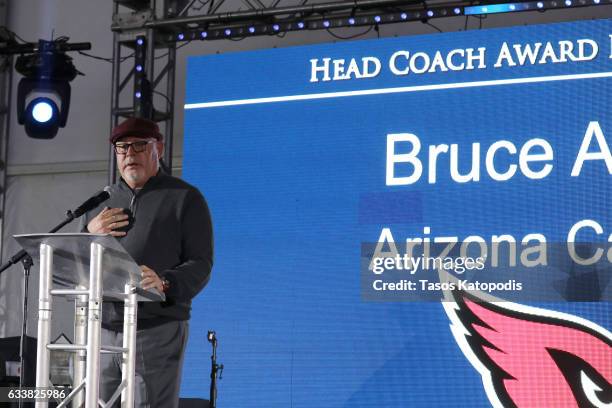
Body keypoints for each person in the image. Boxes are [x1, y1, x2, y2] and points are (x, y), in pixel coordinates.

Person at [80, 117, 213, 407]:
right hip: (102, 328)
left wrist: (165, 282)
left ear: (159, 149)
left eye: (140, 145)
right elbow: (79, 259)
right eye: (122, 147)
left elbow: (201, 263)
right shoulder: (101, 200)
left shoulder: (185, 198)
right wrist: (88, 232)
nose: (130, 153)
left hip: (156, 328)